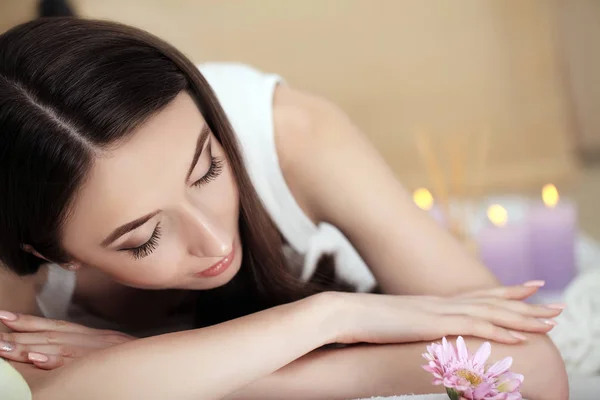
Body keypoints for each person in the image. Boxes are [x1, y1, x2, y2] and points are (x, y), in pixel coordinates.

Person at [0, 17, 568, 400]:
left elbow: (526, 363)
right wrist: (330, 319)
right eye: (144, 239)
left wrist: (147, 364)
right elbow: (54, 394)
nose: (214, 242)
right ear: (48, 252)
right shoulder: (13, 265)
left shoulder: (291, 135)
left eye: (209, 170)